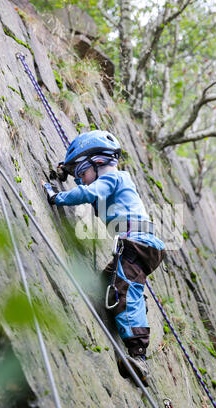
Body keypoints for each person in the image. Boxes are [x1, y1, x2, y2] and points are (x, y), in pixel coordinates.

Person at [42, 130, 165, 386]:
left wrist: (57, 197)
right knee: (107, 285)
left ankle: (138, 355)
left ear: (99, 162)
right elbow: (88, 185)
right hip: (138, 244)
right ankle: (132, 306)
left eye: (82, 173)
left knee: (123, 291)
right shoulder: (109, 179)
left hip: (137, 243)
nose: (81, 181)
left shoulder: (111, 178)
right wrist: (67, 169)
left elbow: (89, 193)